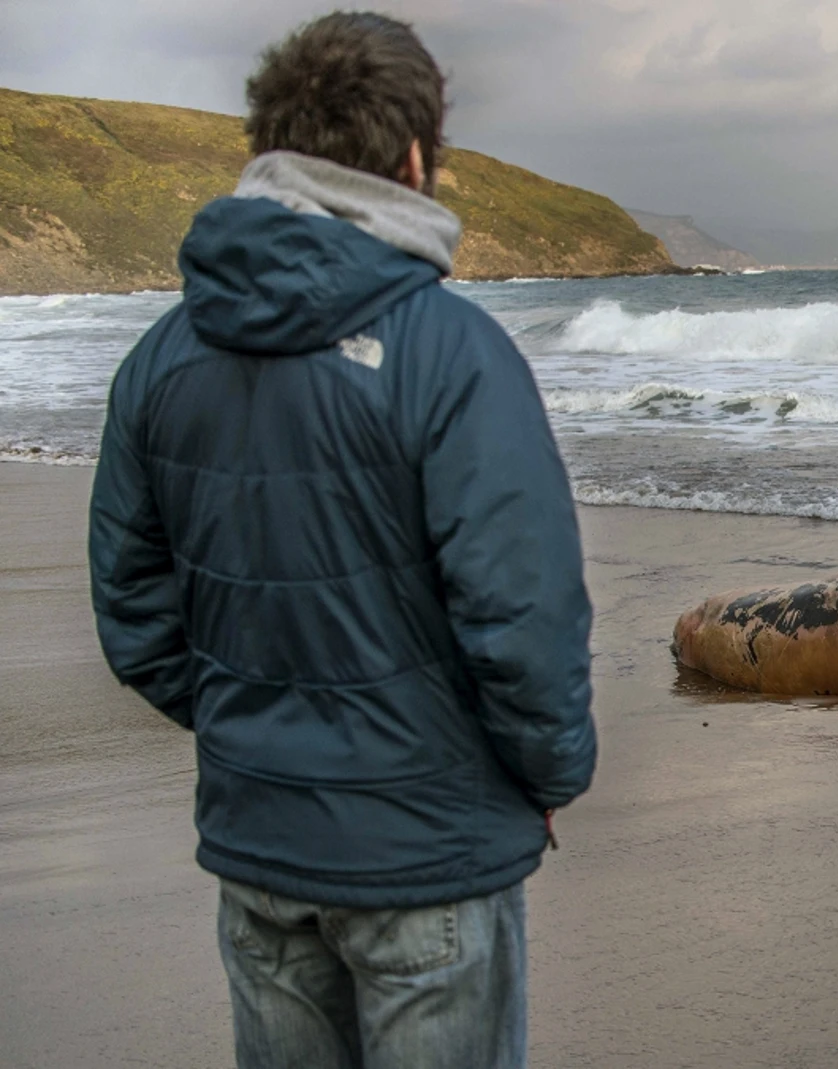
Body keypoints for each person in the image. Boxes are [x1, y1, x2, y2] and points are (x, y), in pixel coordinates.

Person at [87, 12, 597, 1068]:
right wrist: (547, 775)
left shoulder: (160, 357)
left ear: (269, 142)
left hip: (260, 844)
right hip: (429, 850)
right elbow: (521, 616)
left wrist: (258, 728)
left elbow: (134, 610)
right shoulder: (453, 352)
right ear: (413, 160)